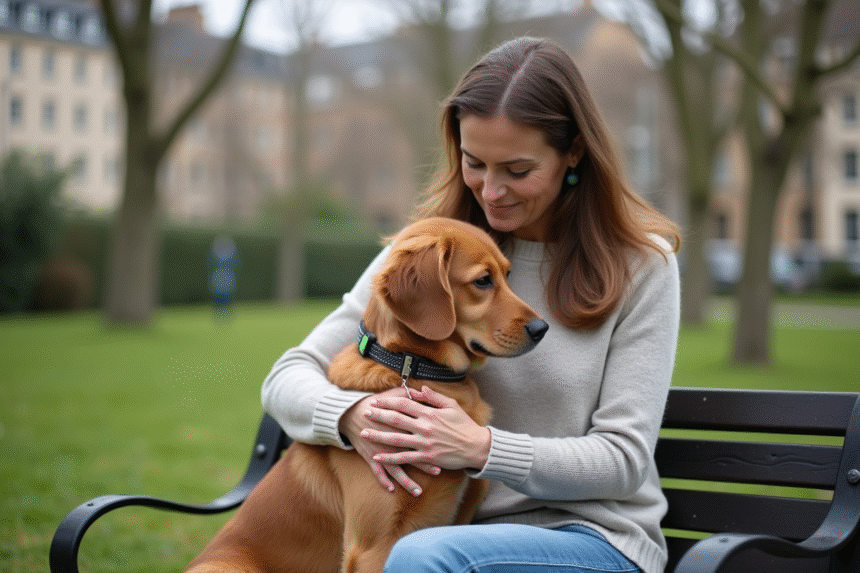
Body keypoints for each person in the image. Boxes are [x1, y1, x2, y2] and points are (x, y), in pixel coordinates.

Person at [262, 37, 681, 573]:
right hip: (451, 537)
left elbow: (623, 460)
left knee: (421, 557)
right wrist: (354, 417)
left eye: (518, 170)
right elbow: (286, 376)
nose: (491, 190)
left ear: (573, 151)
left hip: (589, 538)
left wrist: (482, 449)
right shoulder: (435, 248)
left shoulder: (642, 267)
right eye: (474, 162)